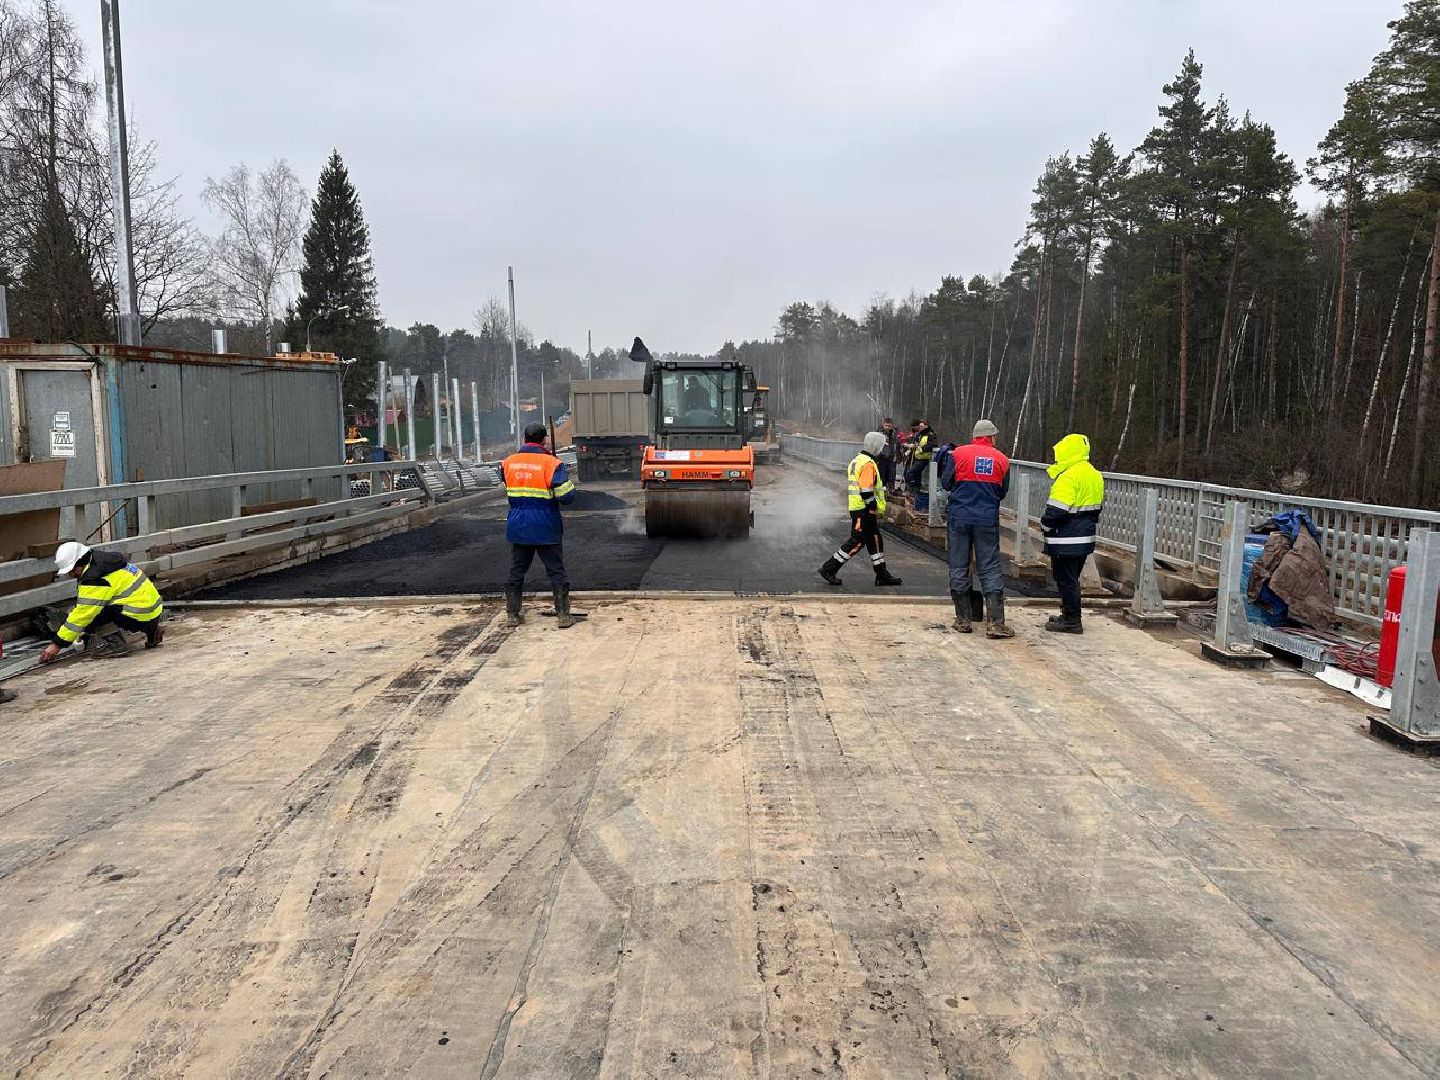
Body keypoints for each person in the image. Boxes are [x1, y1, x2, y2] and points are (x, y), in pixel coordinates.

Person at [502, 423, 585, 628]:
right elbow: (567, 497)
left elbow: (509, 488)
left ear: (524, 439)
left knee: (516, 571)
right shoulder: (552, 464)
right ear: (544, 440)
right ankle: (563, 616)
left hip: (518, 525)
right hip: (545, 526)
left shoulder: (507, 463)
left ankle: (513, 615)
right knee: (556, 571)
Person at [941, 419, 1013, 638]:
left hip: (959, 519)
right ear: (990, 437)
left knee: (959, 565)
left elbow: (946, 483)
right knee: (989, 566)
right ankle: (996, 624)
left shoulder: (958, 454)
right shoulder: (1002, 459)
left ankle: (963, 620)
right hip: (986, 520)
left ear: (974, 436)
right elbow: (1002, 491)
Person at [38, 542, 165, 663]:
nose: (71, 574)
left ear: (80, 563)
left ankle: (116, 645)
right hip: (153, 610)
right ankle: (152, 632)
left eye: (72, 570)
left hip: (136, 614)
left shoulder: (94, 579)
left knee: (90, 615)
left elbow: (82, 616)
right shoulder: (107, 562)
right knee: (117, 603)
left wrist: (57, 644)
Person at [818, 431, 903, 588]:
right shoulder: (868, 464)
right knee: (857, 541)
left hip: (859, 509)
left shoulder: (857, 460)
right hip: (864, 510)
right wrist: (872, 507)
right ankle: (829, 568)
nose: (882, 450)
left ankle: (882, 574)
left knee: (875, 540)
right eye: (881, 446)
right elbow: (866, 490)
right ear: (875, 446)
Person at [1040, 433, 1105, 634]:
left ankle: (1072, 620)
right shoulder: (1094, 474)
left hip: (1066, 538)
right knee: (1071, 578)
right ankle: (1068, 614)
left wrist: (1045, 525)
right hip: (1084, 536)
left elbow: (1056, 510)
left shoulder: (1068, 476)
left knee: (1065, 580)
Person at [904, 419, 935, 493]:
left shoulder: (931, 434)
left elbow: (932, 445)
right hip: (917, 457)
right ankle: (916, 492)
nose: (920, 427)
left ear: (926, 426)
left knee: (910, 473)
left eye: (921, 426)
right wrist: (909, 446)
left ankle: (910, 489)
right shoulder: (919, 434)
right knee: (917, 475)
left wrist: (922, 449)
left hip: (924, 458)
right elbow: (915, 444)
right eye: (919, 426)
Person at [878, 418, 899, 493]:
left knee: (891, 473)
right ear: (883, 425)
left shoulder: (894, 433)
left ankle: (890, 488)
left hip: (891, 456)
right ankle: (882, 487)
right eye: (886, 425)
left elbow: (896, 444)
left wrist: (896, 454)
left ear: (891, 426)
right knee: (882, 472)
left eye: (889, 426)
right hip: (882, 456)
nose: (887, 427)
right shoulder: (879, 433)